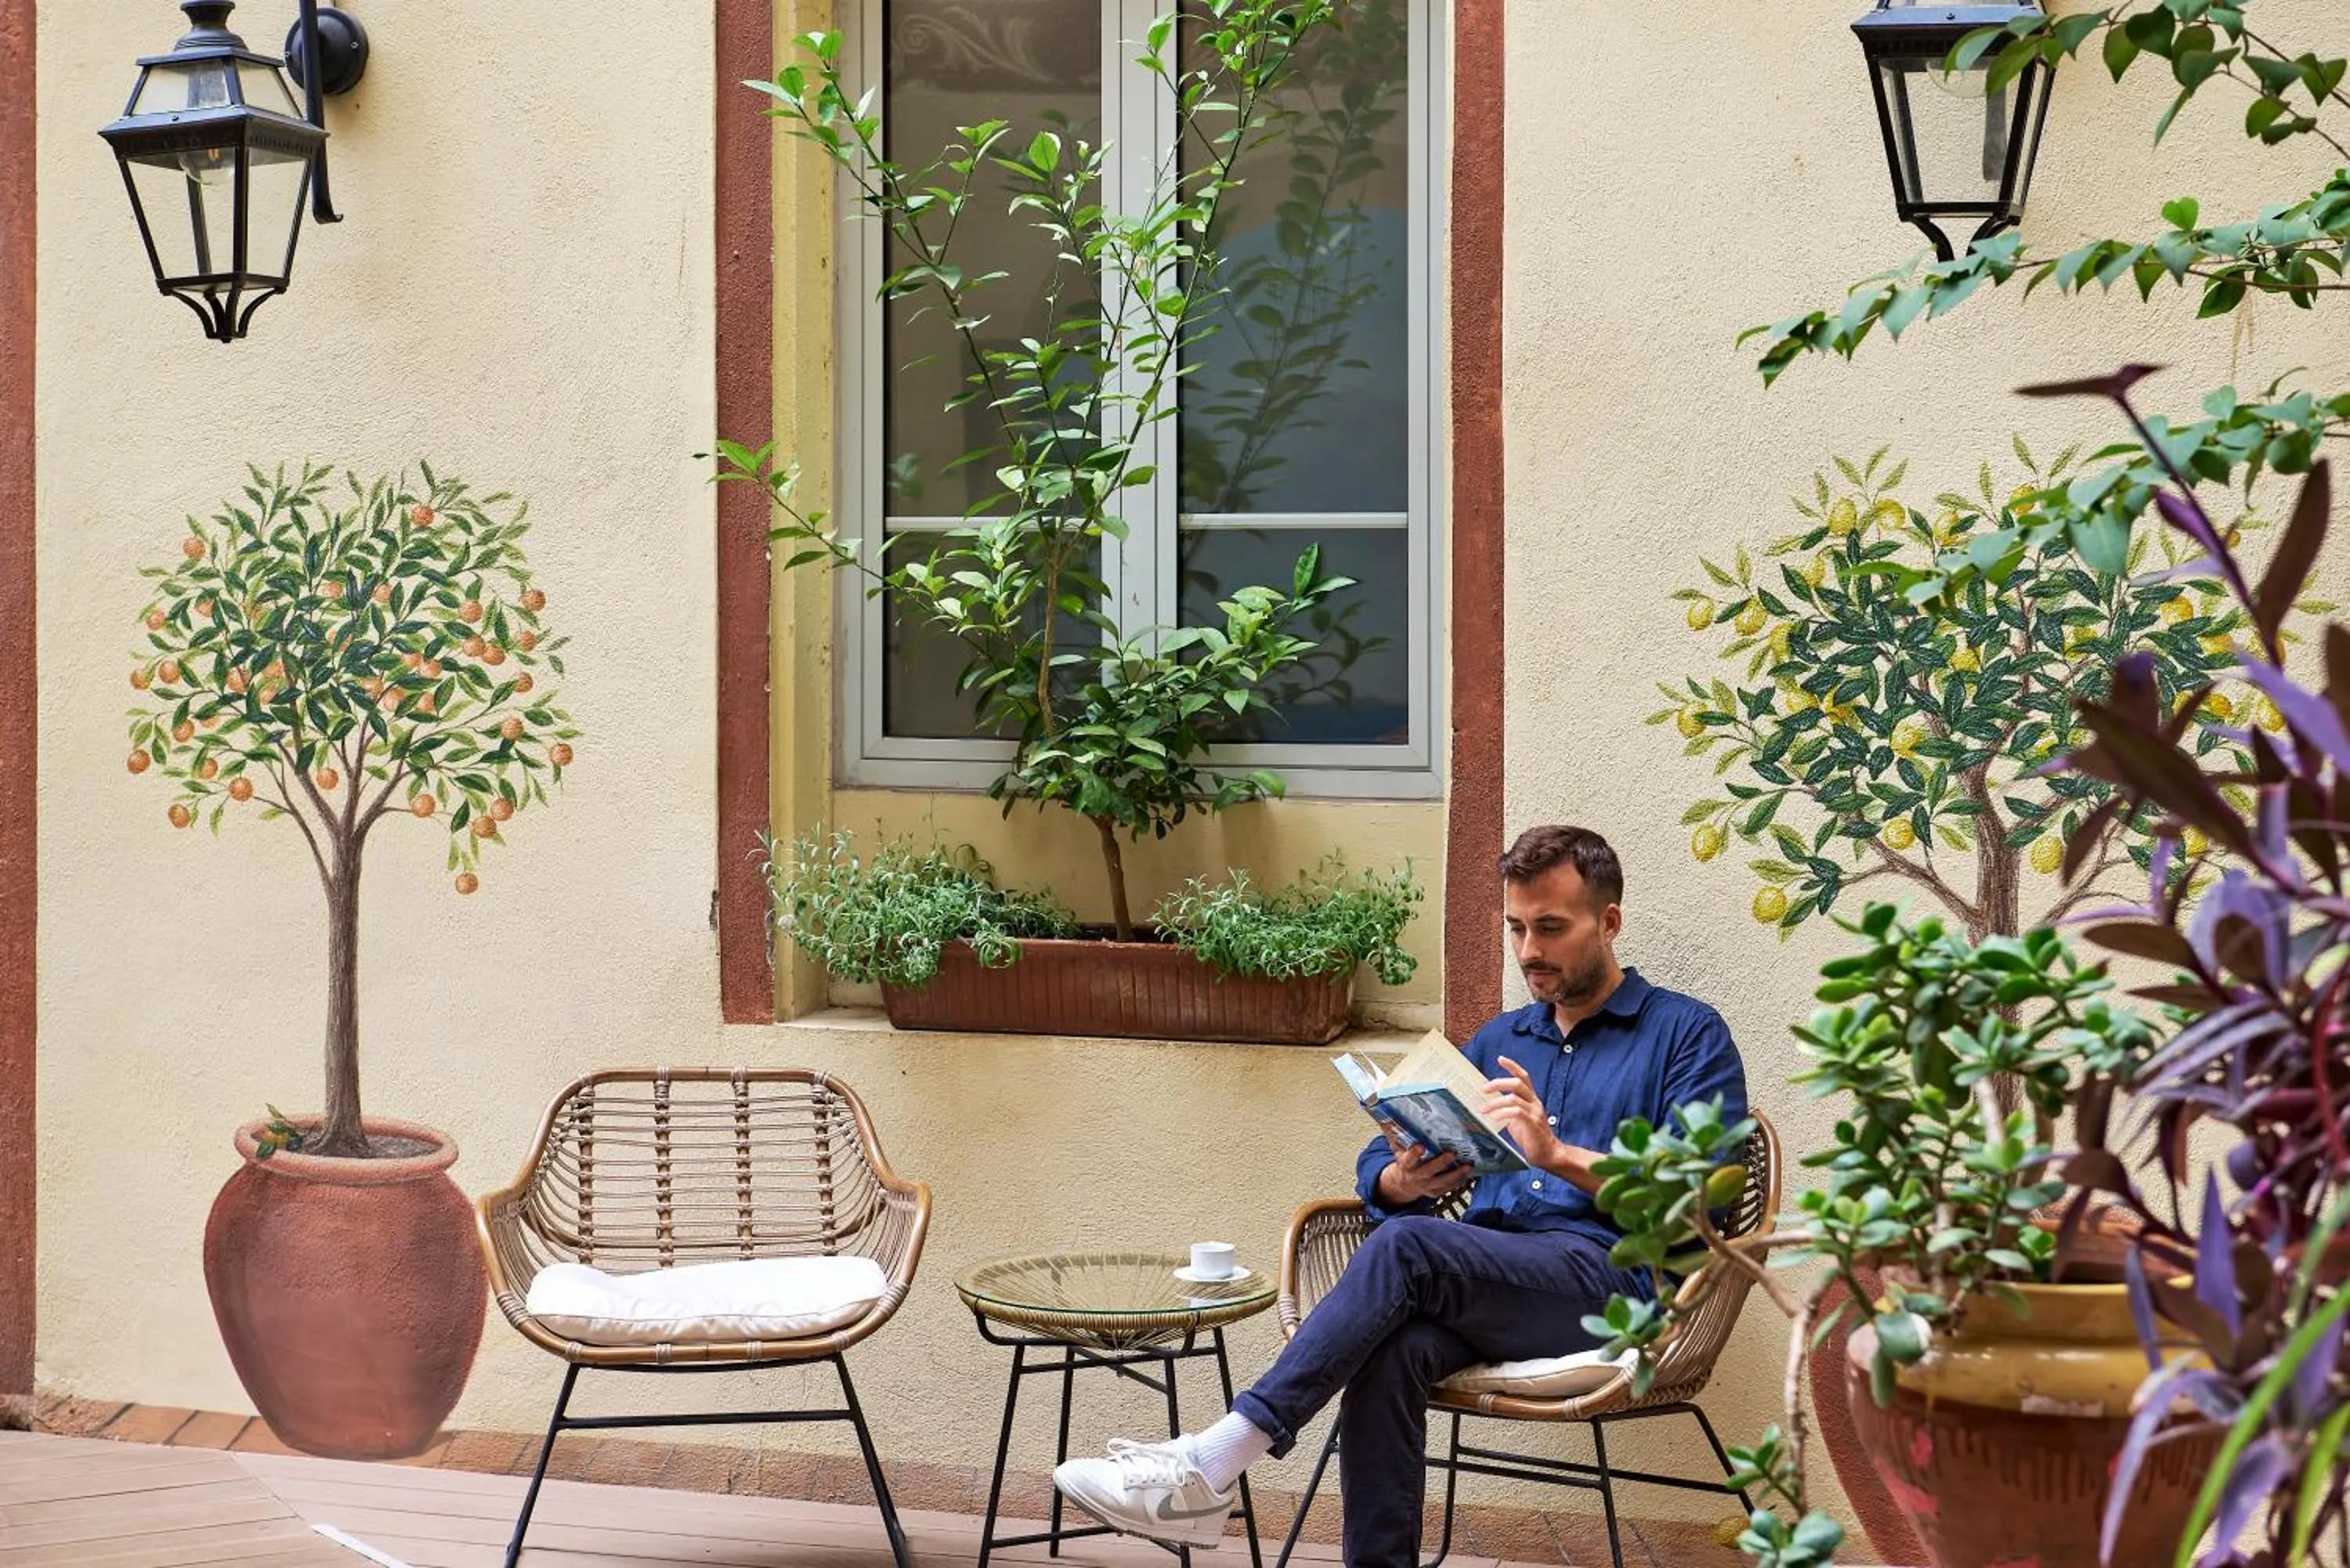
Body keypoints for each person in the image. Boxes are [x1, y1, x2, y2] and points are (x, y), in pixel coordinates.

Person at [1052, 824, 1749, 1568]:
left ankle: (1213, 1463)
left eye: (1551, 928)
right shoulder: (1499, 1039)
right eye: (1515, 927)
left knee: (1412, 1248)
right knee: (1392, 1351)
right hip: (1487, 1281)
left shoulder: (1686, 1034)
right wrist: (1398, 1180)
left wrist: (1560, 1156)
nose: (1528, 952)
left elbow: (1701, 1200)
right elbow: (1383, 1167)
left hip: (1612, 1285)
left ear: (1608, 922)